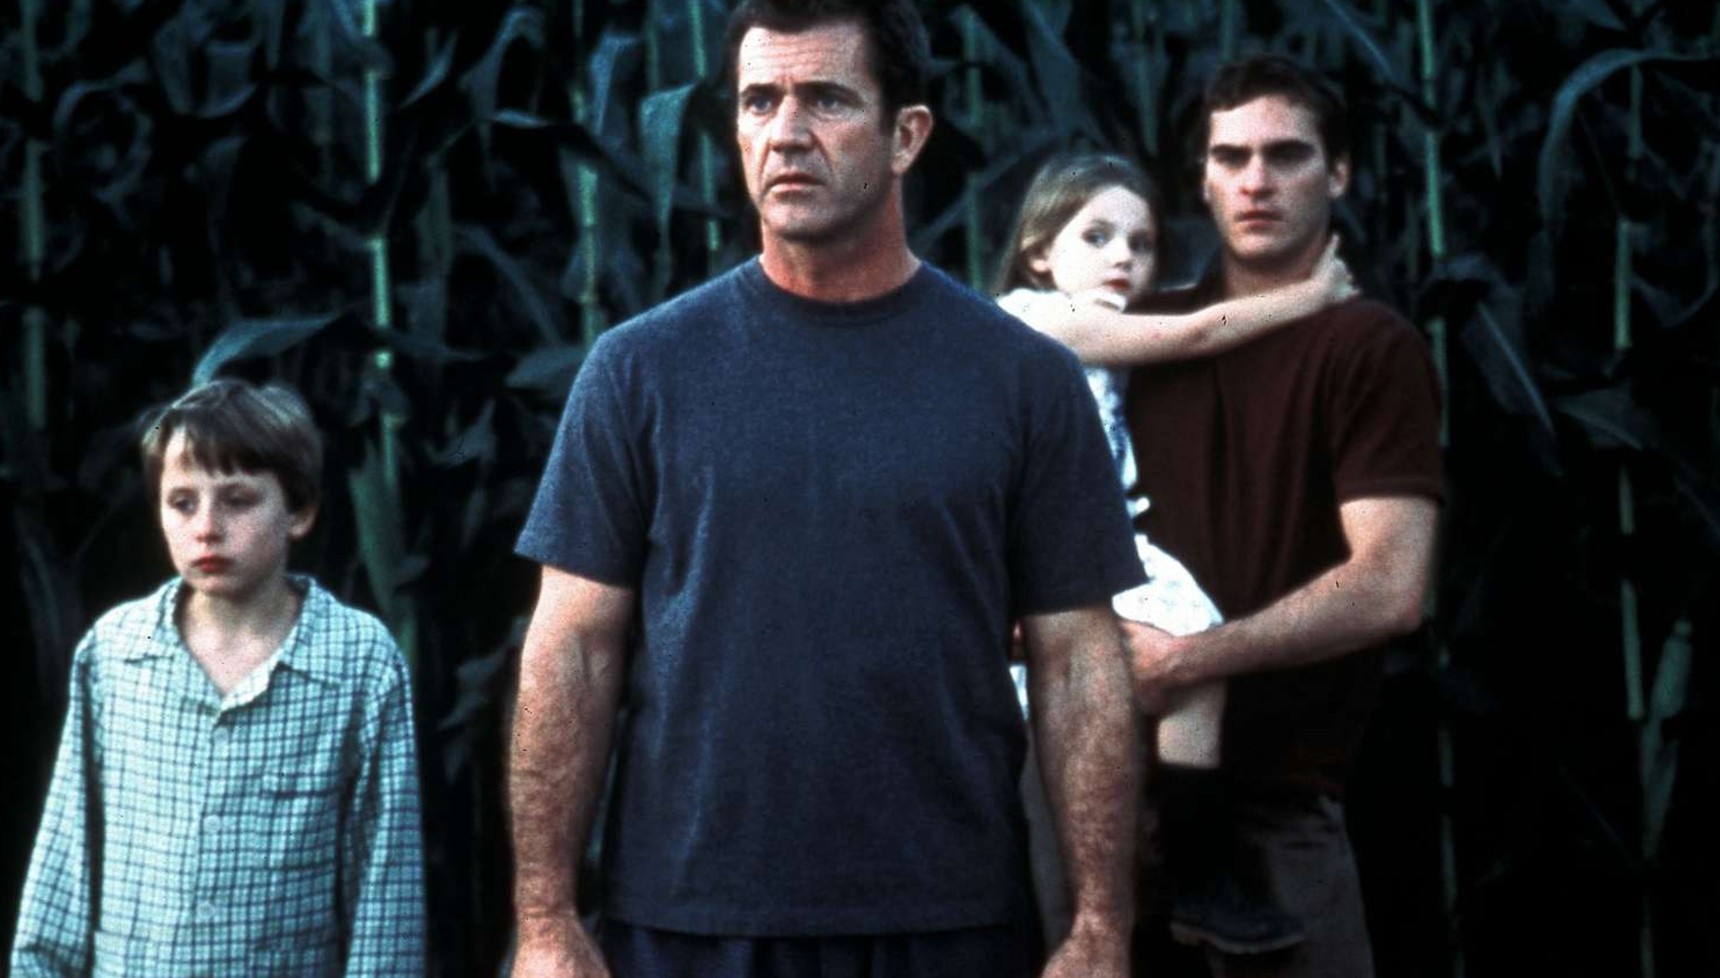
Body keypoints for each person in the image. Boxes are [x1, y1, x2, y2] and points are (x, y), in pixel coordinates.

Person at [507, 1, 1146, 977]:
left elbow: (1077, 666)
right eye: (759, 101)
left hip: (948, 919)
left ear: (907, 136)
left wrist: (1100, 928)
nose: (786, 132)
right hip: (691, 922)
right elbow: (573, 653)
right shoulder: (640, 370)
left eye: (826, 100)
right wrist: (547, 921)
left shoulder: (1021, 381)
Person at [1122, 54, 1443, 978]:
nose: (1255, 181)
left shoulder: (1365, 347)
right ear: (1203, 178)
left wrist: (1188, 662)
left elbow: (1391, 585)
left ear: (1337, 172)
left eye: (1286, 154)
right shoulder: (1141, 336)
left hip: (1276, 805)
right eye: (1230, 157)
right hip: (1106, 800)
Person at [993, 152, 1356, 956]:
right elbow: (1190, 331)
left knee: (1195, 654)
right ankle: (1177, 883)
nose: (1125, 257)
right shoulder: (1036, 317)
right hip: (1050, 559)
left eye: (1143, 243)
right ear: (1039, 254)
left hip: (1111, 547)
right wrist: (1309, 297)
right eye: (1097, 236)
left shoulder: (1104, 338)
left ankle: (1194, 873)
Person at [10, 378, 426, 977]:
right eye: (182, 503)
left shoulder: (357, 661)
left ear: (300, 511)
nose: (206, 527)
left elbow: (386, 887)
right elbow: (65, 859)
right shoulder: (116, 653)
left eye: (237, 501)